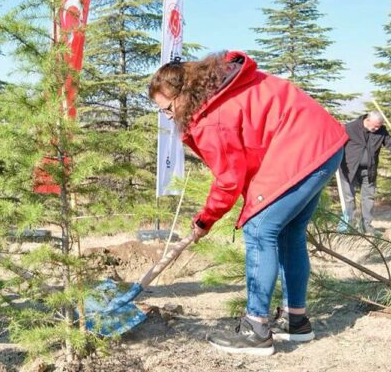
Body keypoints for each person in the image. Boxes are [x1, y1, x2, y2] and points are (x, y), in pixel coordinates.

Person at [148, 51, 347, 356]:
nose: (169, 115)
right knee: (288, 234)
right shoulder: (224, 89)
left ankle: (256, 331)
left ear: (183, 94)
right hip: (323, 144)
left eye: (168, 108)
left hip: (302, 149)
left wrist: (205, 219)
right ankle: (296, 322)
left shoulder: (211, 117)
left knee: (258, 230)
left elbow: (229, 180)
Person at [338, 110, 391, 234]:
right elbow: (336, 142)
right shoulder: (350, 127)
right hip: (348, 170)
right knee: (348, 198)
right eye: (374, 125)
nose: (376, 128)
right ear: (367, 120)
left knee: (368, 197)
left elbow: (390, 143)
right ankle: (346, 225)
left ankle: (366, 226)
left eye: (378, 126)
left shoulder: (381, 131)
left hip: (369, 170)